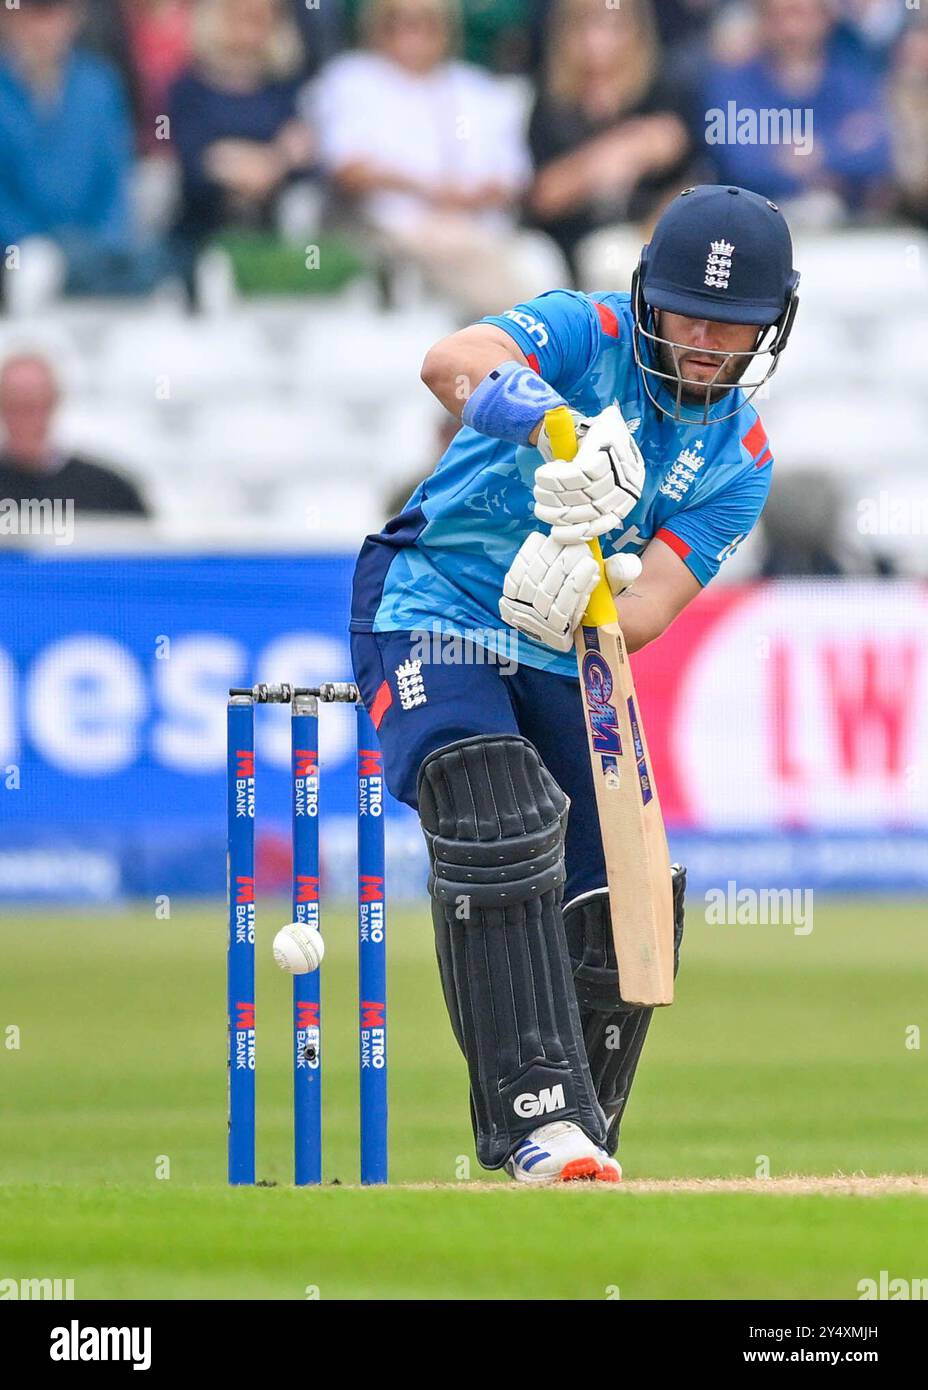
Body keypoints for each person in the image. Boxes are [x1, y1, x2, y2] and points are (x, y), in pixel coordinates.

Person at [349, 185, 799, 1183]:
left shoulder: (743, 457)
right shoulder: (579, 330)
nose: (702, 342)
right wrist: (557, 426)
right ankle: (535, 1121)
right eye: (686, 312)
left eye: (732, 326)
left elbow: (645, 613)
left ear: (771, 326)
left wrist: (590, 582)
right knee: (494, 804)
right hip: (431, 600)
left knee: (622, 893)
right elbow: (449, 363)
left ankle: (584, 1133)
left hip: (562, 642)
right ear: (645, 297)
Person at [310, 0, 565, 316]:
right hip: (388, 229)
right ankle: (538, 330)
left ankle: (539, 330)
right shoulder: (352, 80)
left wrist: (470, 197)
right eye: (400, 22)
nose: (413, 35)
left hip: (480, 227)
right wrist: (431, 191)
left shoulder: (476, 88)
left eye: (426, 23)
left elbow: (513, 178)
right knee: (463, 253)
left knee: (533, 259)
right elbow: (348, 170)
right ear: (378, 26)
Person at [0, 0, 168, 303]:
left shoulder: (101, 84)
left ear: (74, 17)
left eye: (53, 14)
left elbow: (115, 181)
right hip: (16, 263)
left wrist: (96, 253)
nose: (42, 29)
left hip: (94, 261)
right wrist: (37, 247)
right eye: (31, 15)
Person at [527, 0, 692, 286]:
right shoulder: (552, 101)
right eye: (585, 26)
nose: (597, 40)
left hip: (640, 234)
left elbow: (680, 161)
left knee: (618, 259)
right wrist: (621, 148)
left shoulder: (659, 90)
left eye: (612, 26)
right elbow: (545, 196)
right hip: (564, 243)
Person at [701, 0, 894, 223]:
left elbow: (878, 154)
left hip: (847, 227)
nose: (791, 28)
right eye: (778, 16)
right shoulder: (732, 82)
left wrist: (817, 153)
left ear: (825, 19)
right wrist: (834, 155)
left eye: (800, 14)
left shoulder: (852, 79)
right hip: (752, 223)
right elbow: (739, 163)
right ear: (761, 21)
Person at [168, 0, 316, 276]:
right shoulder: (189, 89)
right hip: (201, 237)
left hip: (273, 237)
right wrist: (274, 158)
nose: (250, 26)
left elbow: (305, 160)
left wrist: (249, 161)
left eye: (261, 17)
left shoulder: (286, 90)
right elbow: (194, 163)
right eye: (240, 15)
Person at [0, 354, 148, 518]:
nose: (25, 419)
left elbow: (146, 540)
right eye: (15, 405)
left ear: (54, 403)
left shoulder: (110, 492)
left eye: (34, 405)